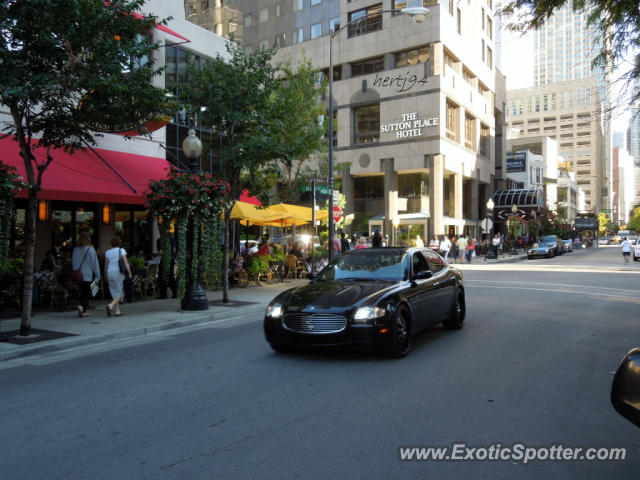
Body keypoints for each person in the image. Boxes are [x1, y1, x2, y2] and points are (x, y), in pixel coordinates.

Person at [72, 232, 100, 318]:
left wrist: (75, 272)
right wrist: (98, 275)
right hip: (87, 274)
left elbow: (74, 263)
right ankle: (82, 307)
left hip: (78, 275)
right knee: (88, 293)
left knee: (82, 292)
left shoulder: (76, 249)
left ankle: (83, 309)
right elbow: (95, 263)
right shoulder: (90, 249)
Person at [104, 236, 131, 317]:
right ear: (119, 243)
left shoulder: (107, 252)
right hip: (118, 272)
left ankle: (117, 311)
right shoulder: (121, 250)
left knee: (114, 292)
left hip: (109, 272)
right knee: (120, 292)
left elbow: (106, 266)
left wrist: (105, 276)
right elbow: (125, 262)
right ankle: (111, 305)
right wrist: (129, 272)